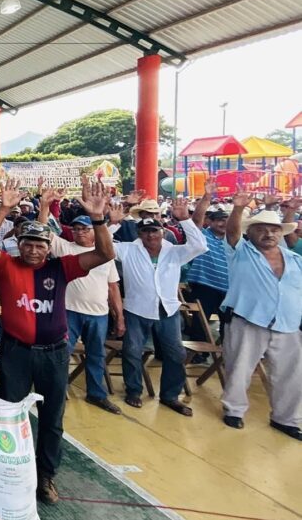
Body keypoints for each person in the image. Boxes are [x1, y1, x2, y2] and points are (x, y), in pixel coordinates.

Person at [0, 177, 114, 504]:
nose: (34, 249)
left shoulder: (62, 268)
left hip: (54, 354)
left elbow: (105, 253)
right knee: (11, 415)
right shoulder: (7, 265)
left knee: (52, 419)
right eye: (28, 243)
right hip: (16, 353)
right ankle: (11, 469)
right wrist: (5, 208)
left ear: (48, 248)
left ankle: (45, 477)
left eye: (40, 245)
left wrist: (98, 217)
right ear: (19, 244)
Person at [112, 197, 206, 417]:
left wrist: (185, 219)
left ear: (162, 231)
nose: (150, 235)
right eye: (145, 232)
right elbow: (103, 245)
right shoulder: (127, 250)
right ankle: (134, 390)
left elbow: (200, 245)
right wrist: (113, 223)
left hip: (168, 310)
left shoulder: (174, 251)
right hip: (136, 309)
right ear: (139, 234)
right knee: (132, 351)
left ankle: (170, 396)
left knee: (176, 354)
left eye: (154, 231)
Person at [219, 193, 302, 440]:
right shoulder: (240, 251)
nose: (269, 234)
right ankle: (234, 410)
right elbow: (232, 232)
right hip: (248, 318)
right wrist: (238, 208)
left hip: (288, 322)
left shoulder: (295, 260)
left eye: (274, 230)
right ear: (251, 233)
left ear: (281, 233)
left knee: (291, 373)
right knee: (240, 368)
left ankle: (286, 419)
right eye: (262, 230)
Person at [36, 190, 125, 415]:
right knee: (61, 355)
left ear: (94, 232)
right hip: (68, 312)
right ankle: (57, 392)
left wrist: (120, 317)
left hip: (99, 314)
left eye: (85, 229)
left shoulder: (104, 254)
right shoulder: (66, 248)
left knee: (97, 355)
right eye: (75, 229)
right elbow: (43, 230)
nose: (79, 233)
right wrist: (45, 206)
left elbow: (113, 287)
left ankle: (97, 393)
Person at [184, 183, 230, 347]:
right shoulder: (202, 236)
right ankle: (198, 355)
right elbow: (196, 220)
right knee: (199, 323)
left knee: (229, 326)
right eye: (219, 220)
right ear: (209, 221)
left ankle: (226, 356)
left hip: (229, 289)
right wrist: (207, 196)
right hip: (205, 286)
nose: (223, 223)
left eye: (227, 220)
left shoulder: (234, 240)